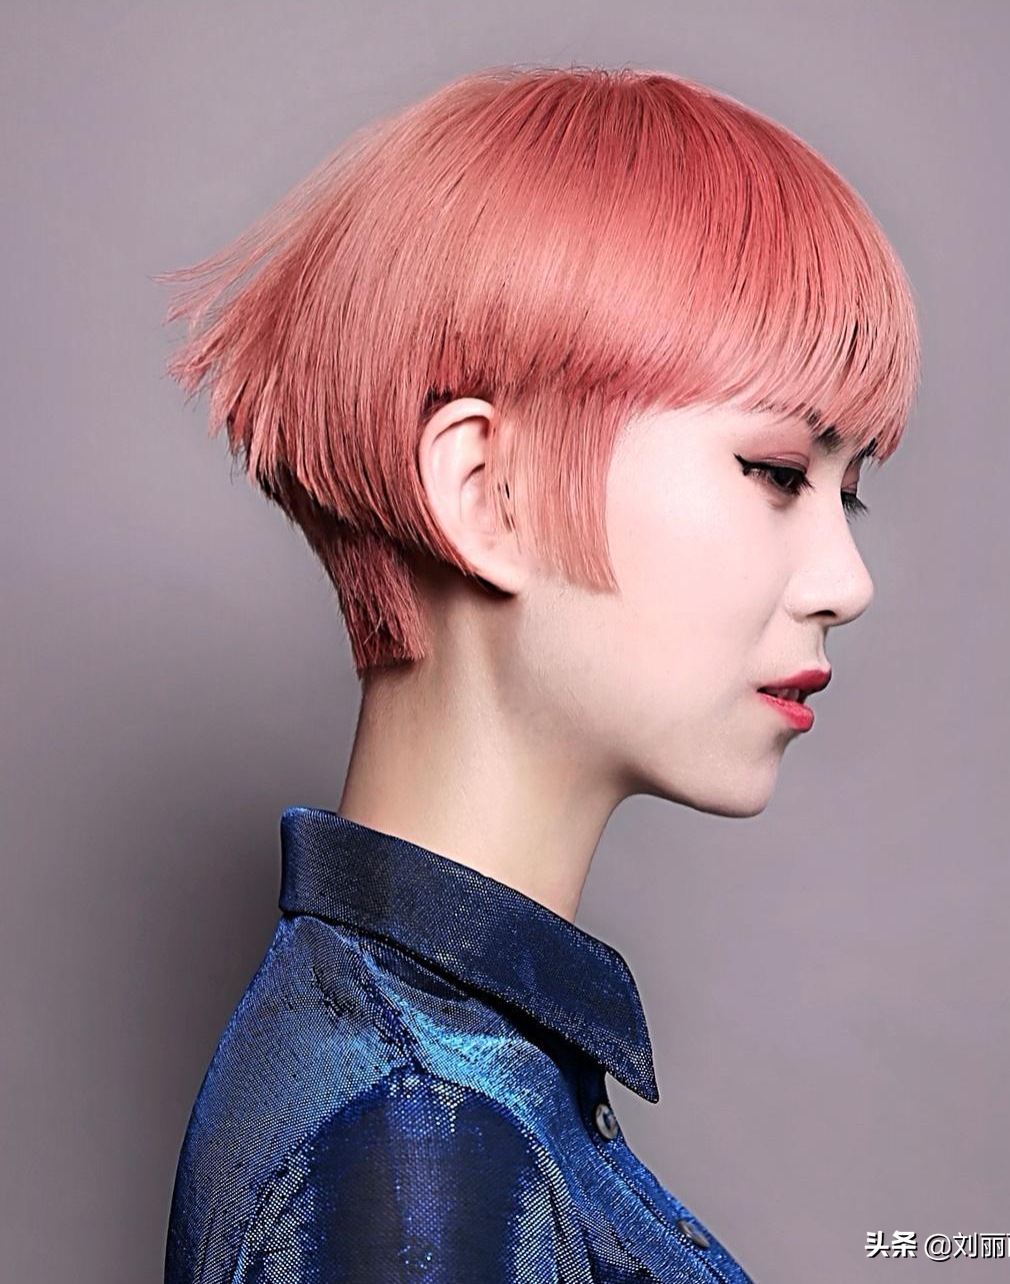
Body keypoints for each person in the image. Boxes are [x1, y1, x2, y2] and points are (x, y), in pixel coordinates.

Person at [156, 63, 920, 1283]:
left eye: (849, 492)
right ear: (487, 492)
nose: (845, 580)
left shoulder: (426, 1081)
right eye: (777, 473)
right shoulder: (420, 1148)